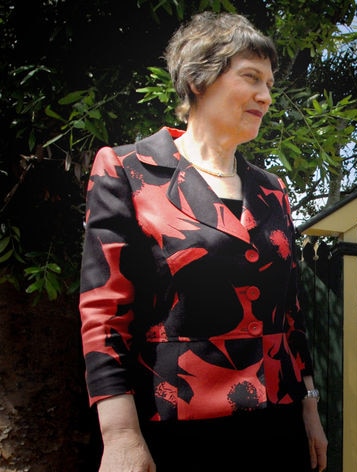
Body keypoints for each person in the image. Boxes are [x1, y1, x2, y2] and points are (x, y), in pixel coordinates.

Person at [78, 12, 327, 471]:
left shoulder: (273, 189)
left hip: (279, 423)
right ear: (198, 79)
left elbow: (291, 312)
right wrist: (120, 435)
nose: (266, 96)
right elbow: (104, 311)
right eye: (250, 77)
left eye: (269, 83)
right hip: (178, 427)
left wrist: (309, 405)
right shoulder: (126, 169)